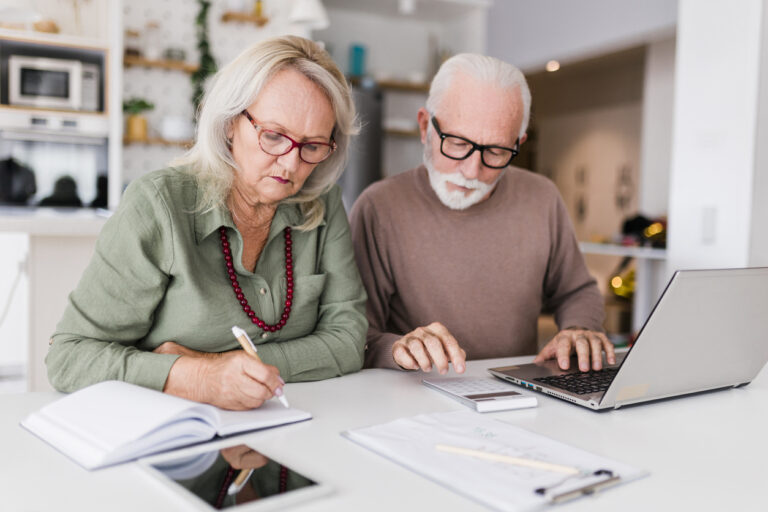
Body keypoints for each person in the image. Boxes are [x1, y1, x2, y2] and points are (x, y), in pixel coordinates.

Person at [46, 36, 367, 410]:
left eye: (312, 146)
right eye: (274, 136)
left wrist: (222, 368)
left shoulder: (322, 203)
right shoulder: (159, 204)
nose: (292, 164)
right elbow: (69, 357)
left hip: (287, 427)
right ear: (231, 123)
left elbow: (348, 341)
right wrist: (194, 378)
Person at [350, 53, 614, 375]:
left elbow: (577, 290)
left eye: (496, 151)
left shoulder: (543, 197)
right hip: (415, 394)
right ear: (424, 127)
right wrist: (398, 348)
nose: (472, 171)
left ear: (519, 143)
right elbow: (355, 336)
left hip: (515, 392)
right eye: (458, 143)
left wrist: (580, 329)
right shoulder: (378, 207)